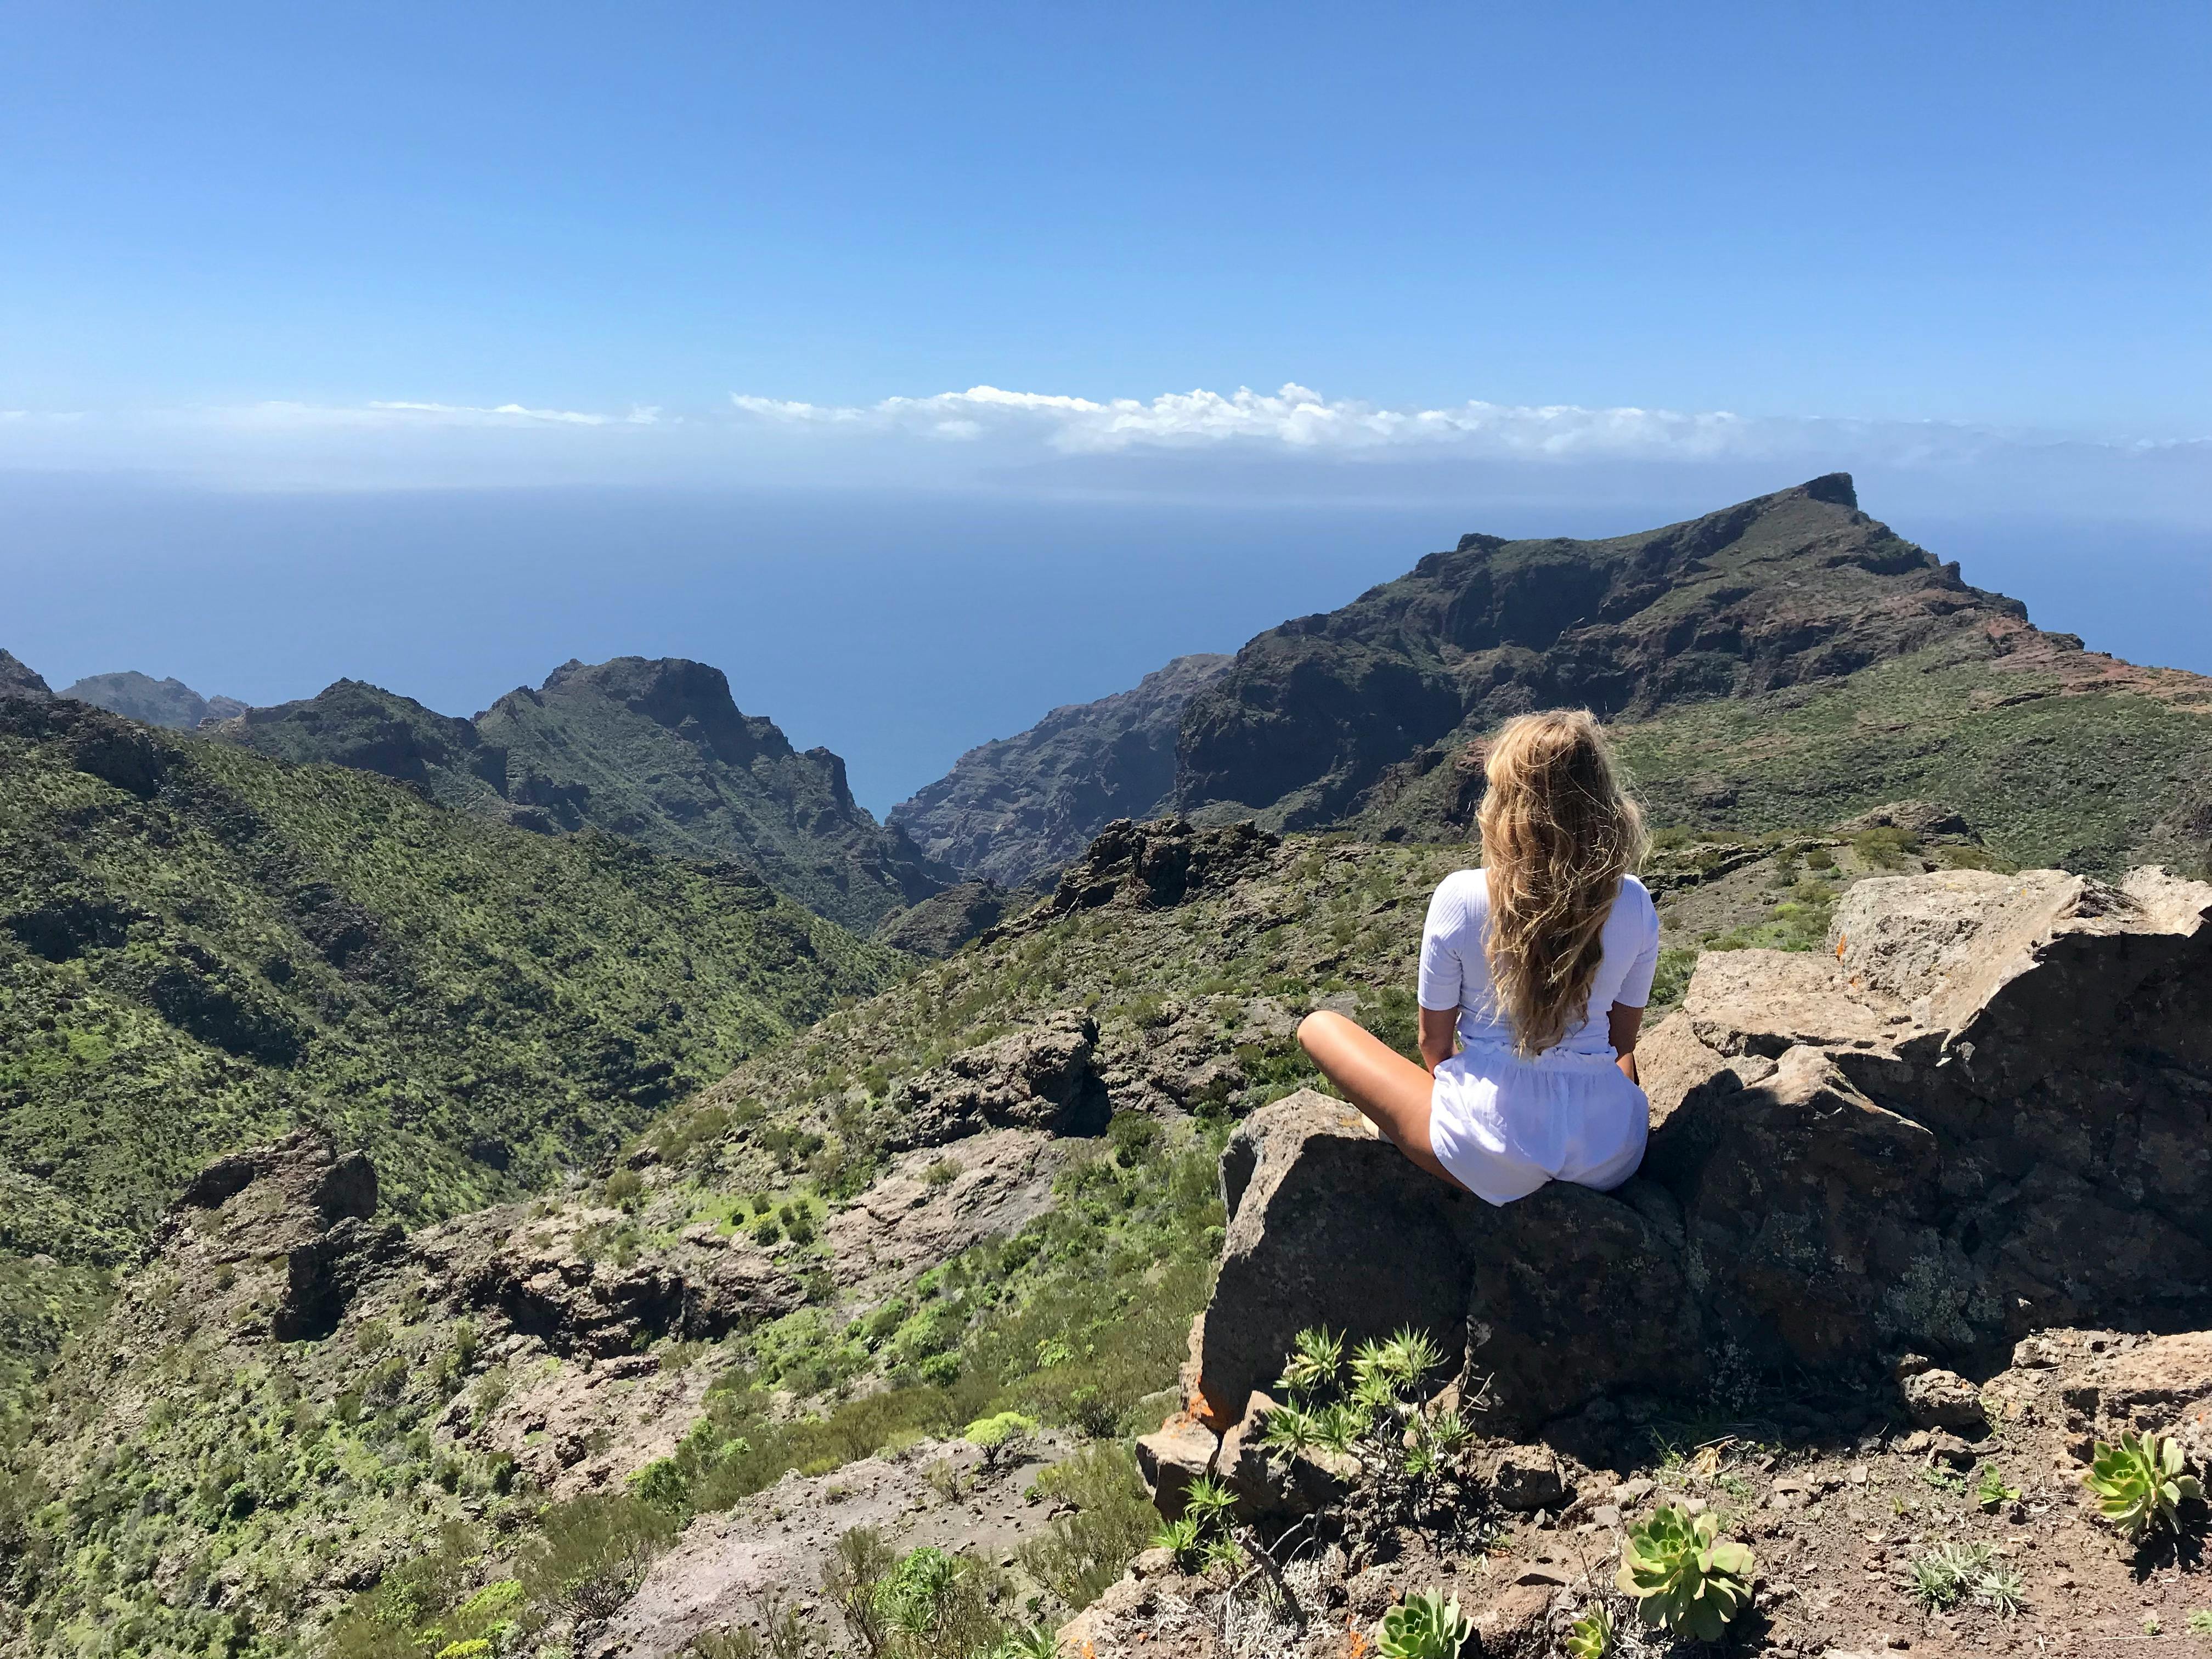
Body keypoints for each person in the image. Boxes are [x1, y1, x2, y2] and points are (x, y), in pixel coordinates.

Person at [1296, 708, 1659, 1204]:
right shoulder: (1636, 902)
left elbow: (1434, 1047)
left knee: (1318, 1026)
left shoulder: (1462, 896)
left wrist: (1466, 1103)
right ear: (1603, 799)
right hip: (1609, 1152)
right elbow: (1621, 1045)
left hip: (1486, 1147)